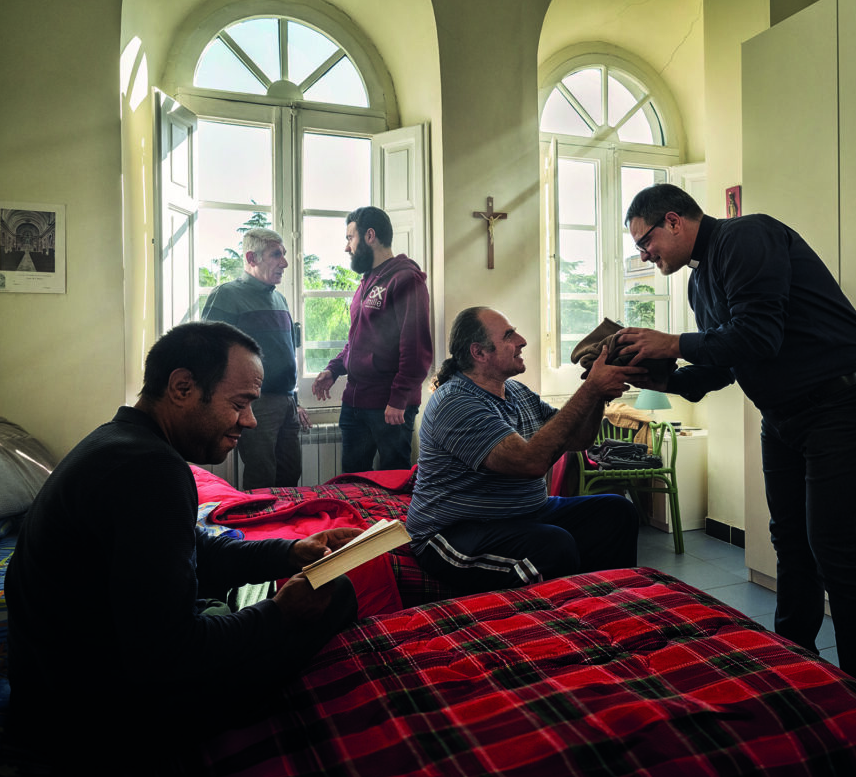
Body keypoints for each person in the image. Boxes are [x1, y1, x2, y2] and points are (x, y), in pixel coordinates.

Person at [5, 321, 360, 777]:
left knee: (278, 589)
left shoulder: (118, 443)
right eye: (240, 404)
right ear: (182, 387)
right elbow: (169, 656)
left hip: (52, 693)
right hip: (100, 719)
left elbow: (194, 552)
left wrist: (292, 552)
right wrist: (280, 614)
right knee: (339, 595)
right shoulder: (152, 471)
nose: (250, 421)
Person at [616, 184, 856, 695]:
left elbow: (759, 336)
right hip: (785, 414)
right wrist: (660, 379)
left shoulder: (747, 237)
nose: (644, 254)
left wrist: (674, 342)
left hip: (844, 403)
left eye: (645, 241)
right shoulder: (699, 286)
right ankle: (796, 671)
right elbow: (727, 364)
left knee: (837, 550)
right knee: (790, 544)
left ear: (673, 221)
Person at [406, 306, 644, 593]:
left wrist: (599, 396)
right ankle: (562, 622)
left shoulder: (517, 392)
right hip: (452, 533)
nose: (522, 340)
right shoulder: (455, 403)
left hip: (523, 514)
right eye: (509, 335)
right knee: (553, 546)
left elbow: (578, 439)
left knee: (617, 512)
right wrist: (590, 389)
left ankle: (605, 602)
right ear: (479, 353)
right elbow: (529, 464)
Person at [311, 206, 433, 472]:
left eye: (349, 238)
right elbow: (358, 341)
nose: (347, 247)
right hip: (354, 403)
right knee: (353, 484)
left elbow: (416, 349)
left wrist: (398, 399)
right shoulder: (366, 281)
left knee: (393, 484)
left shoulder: (406, 279)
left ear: (369, 236)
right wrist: (333, 370)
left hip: (389, 407)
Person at [202, 227, 308, 489]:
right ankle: (263, 530)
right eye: (276, 255)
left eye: (283, 255)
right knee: (262, 476)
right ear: (251, 258)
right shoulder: (226, 296)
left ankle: (289, 530)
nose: (284, 262)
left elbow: (286, 355)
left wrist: (296, 400)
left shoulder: (280, 299)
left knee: (291, 474)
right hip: (255, 405)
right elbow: (206, 353)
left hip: (287, 403)